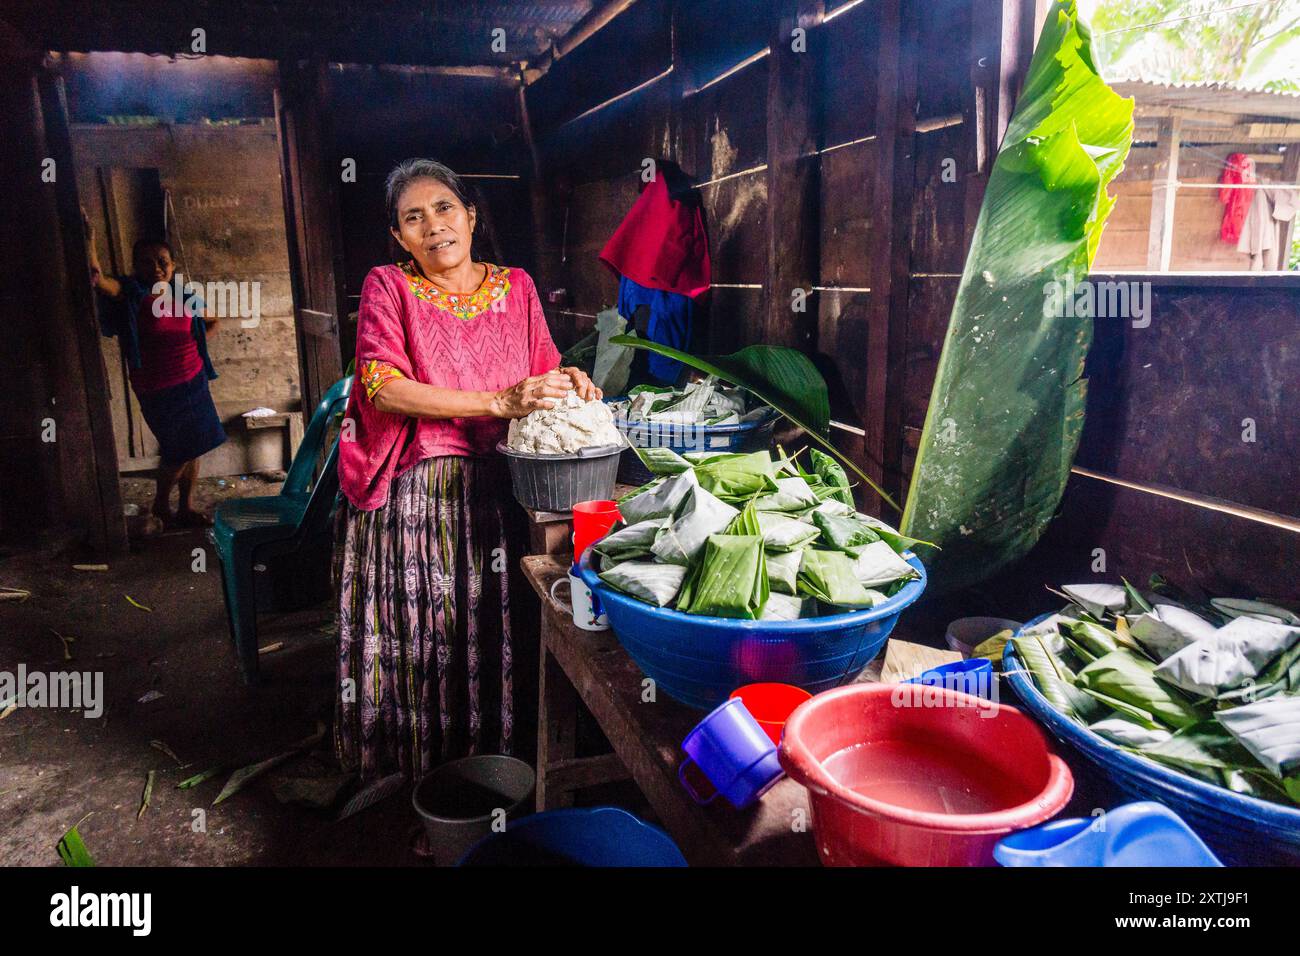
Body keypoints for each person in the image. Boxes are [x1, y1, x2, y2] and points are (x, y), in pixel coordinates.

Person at [335, 158, 601, 780]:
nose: (433, 226)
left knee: (497, 630)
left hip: (508, 486)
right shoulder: (388, 286)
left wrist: (568, 380)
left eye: (444, 208)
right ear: (400, 238)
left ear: (472, 216)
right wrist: (496, 403)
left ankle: (502, 777)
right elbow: (382, 387)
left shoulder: (517, 286)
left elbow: (543, 369)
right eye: (414, 218)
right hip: (422, 494)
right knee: (430, 641)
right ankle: (432, 779)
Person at [87, 219, 224, 528]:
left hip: (194, 380)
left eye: (162, 261)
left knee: (196, 443)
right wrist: (90, 238)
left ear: (172, 265)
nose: (156, 268)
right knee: (179, 448)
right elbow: (96, 278)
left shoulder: (184, 296)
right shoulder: (131, 294)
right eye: (146, 263)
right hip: (159, 387)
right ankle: (161, 504)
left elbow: (212, 322)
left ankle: (185, 506)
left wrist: (194, 349)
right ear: (136, 267)